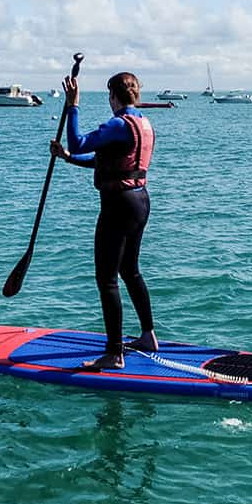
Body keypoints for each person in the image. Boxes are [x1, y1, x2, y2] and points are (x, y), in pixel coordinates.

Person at [50, 71, 158, 370]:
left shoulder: (117, 124)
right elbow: (106, 161)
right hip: (140, 202)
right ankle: (148, 336)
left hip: (118, 206)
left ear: (113, 96)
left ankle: (114, 353)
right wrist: (68, 157)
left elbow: (79, 140)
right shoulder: (143, 124)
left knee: (106, 278)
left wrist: (73, 105)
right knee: (130, 270)